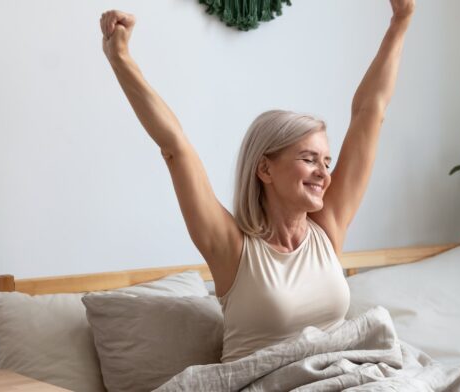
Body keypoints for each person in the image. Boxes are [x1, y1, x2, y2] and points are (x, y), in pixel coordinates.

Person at [99, 0, 415, 363]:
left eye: (326, 162)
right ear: (265, 170)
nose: (324, 174)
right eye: (308, 159)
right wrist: (120, 58)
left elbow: (369, 114)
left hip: (342, 377)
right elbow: (175, 148)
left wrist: (400, 21)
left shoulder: (327, 229)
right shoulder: (232, 249)